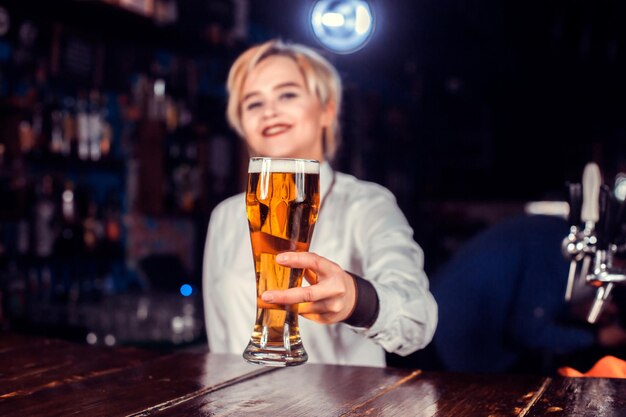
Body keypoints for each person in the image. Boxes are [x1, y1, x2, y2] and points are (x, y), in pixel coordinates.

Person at [202, 39, 437, 367]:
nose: (270, 110)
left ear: (326, 109)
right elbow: (220, 341)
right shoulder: (226, 215)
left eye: (288, 94)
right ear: (242, 124)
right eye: (253, 103)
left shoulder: (366, 203)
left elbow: (419, 320)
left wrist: (356, 300)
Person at [429, 214, 626, 374]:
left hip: (443, 316)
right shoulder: (562, 250)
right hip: (452, 336)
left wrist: (574, 312)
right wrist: (597, 337)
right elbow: (527, 331)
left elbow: (533, 297)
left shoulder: (558, 232)